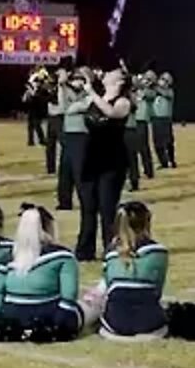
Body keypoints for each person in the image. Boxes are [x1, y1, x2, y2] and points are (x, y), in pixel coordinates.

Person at [0, 204, 96, 337]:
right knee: (94, 304)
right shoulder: (63, 256)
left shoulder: (8, 257)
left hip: (12, 321)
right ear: (48, 227)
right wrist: (60, 324)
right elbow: (69, 296)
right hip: (48, 321)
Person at [75, 67, 132, 261]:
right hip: (91, 157)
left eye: (111, 73)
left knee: (107, 208)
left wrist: (92, 93)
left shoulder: (123, 102)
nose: (106, 74)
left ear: (120, 81)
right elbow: (72, 109)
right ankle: (85, 250)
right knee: (88, 208)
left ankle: (111, 249)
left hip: (112, 160)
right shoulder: (96, 98)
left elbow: (112, 113)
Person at [100, 202, 169, 339]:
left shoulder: (110, 252)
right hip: (151, 324)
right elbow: (158, 290)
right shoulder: (159, 252)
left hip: (115, 323)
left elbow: (109, 288)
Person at [57, 68, 92, 211]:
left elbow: (81, 107)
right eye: (74, 79)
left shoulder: (90, 94)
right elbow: (63, 107)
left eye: (80, 79)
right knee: (65, 170)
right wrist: (61, 86)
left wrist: (71, 106)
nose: (76, 82)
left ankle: (86, 201)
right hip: (68, 134)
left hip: (81, 135)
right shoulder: (69, 92)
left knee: (79, 171)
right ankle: (65, 202)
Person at [132, 70, 156, 180]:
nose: (146, 81)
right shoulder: (134, 90)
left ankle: (149, 171)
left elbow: (147, 94)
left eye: (149, 80)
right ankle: (132, 173)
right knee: (131, 150)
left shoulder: (151, 92)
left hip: (141, 121)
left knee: (143, 148)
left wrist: (141, 86)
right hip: (130, 121)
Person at [43, 64, 66, 176]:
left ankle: (65, 166)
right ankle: (50, 168)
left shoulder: (61, 88)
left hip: (59, 117)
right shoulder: (50, 88)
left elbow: (56, 100)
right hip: (51, 117)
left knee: (63, 143)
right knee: (50, 144)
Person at [150, 73, 176, 168]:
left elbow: (165, 93)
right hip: (155, 118)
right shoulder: (154, 92)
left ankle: (171, 160)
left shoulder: (169, 91)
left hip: (165, 119)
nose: (162, 81)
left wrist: (155, 86)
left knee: (168, 141)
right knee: (157, 143)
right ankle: (163, 162)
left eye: (165, 80)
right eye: (162, 79)